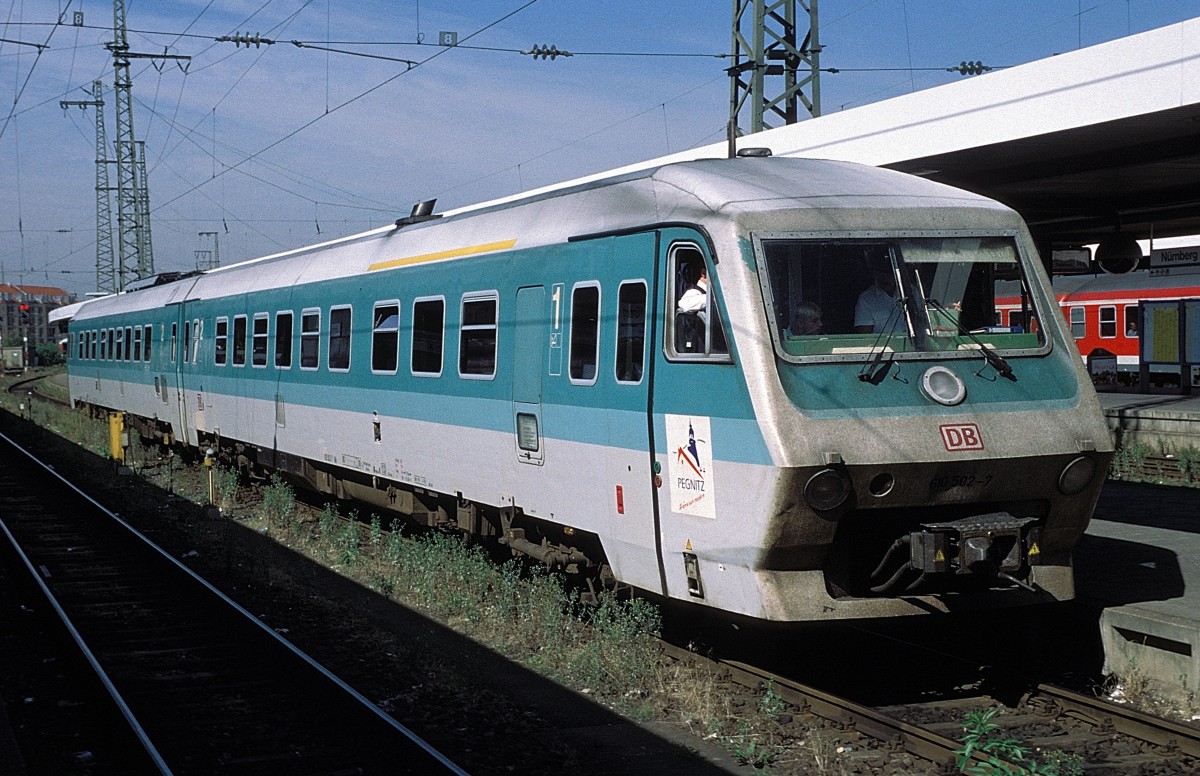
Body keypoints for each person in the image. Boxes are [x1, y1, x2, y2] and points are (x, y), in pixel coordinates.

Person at [854, 258, 902, 334]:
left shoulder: (912, 292)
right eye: (880, 275)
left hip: (912, 344)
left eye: (888, 274)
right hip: (882, 345)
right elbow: (865, 336)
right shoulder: (866, 299)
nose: (884, 278)